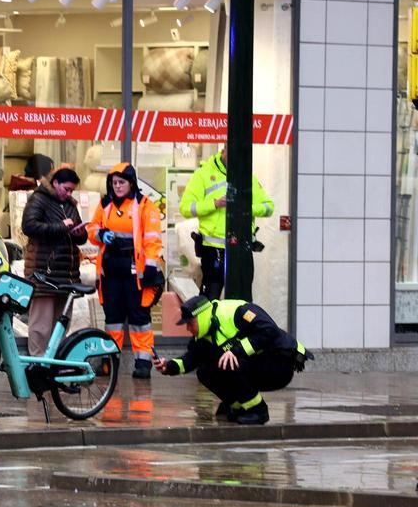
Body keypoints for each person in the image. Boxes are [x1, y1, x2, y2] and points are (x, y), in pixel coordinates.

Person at [154, 294, 313, 424]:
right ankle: (238, 406)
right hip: (257, 363)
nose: (188, 328)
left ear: (201, 317)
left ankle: (258, 411)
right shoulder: (204, 335)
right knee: (205, 372)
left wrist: (236, 350)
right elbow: (190, 360)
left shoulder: (237, 311)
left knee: (231, 362)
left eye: (190, 323)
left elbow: (269, 331)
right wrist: (168, 366)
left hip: (281, 363)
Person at [88, 162, 163, 379]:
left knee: (139, 317)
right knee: (113, 318)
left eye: (121, 182)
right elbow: (92, 228)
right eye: (114, 183)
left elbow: (152, 239)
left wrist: (150, 267)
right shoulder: (105, 204)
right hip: (111, 271)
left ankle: (143, 363)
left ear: (131, 183)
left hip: (135, 272)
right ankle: (109, 362)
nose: (118, 186)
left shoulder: (145, 205)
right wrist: (101, 234)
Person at [179, 145, 274, 299]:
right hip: (213, 251)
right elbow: (185, 208)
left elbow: (268, 207)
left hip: (241, 249)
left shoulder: (247, 176)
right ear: (223, 151)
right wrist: (215, 204)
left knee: (242, 302)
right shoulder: (203, 174)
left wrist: (245, 208)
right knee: (209, 300)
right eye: (232, 154)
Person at [21, 167, 87, 357]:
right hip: (44, 273)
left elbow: (81, 237)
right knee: (41, 324)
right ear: (55, 183)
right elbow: (29, 226)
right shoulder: (39, 199)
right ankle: (38, 361)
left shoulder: (70, 204)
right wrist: (60, 226)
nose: (69, 194)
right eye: (66, 189)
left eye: (72, 190)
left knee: (61, 323)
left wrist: (79, 233)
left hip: (67, 275)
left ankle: (56, 361)